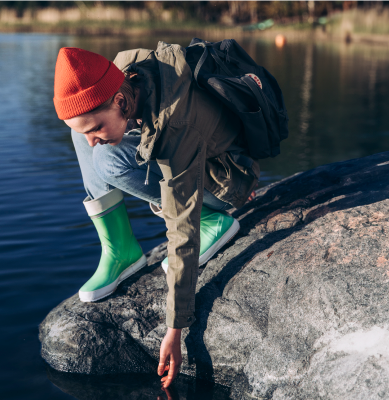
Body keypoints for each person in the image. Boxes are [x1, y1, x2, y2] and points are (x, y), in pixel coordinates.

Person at [52, 44, 260, 388]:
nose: (92, 141)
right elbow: (96, 131)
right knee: (87, 140)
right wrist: (91, 130)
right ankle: (120, 250)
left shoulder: (176, 121)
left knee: (108, 159)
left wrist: (174, 328)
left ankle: (213, 220)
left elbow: (180, 224)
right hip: (192, 155)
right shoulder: (122, 76)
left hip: (226, 179)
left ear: (120, 102)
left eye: (97, 128)